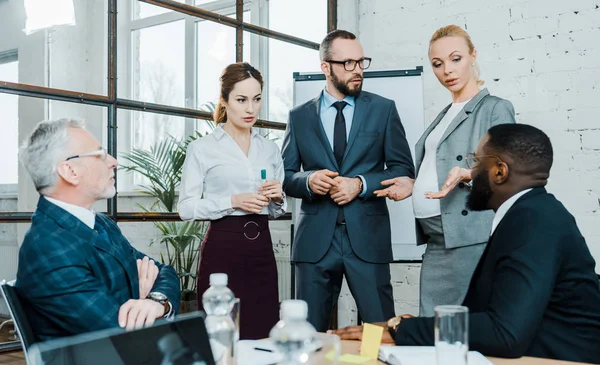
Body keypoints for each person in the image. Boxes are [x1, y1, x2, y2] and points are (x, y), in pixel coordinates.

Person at [332, 123, 600, 364]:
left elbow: (505, 333)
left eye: (476, 161)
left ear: (499, 171)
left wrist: (402, 331)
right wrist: (421, 327)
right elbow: (499, 315)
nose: (471, 172)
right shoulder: (530, 213)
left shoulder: (535, 221)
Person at [375, 25, 515, 317]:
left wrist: (468, 173)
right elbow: (437, 167)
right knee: (432, 325)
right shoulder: (444, 115)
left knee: (466, 327)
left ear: (473, 56)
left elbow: (506, 166)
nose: (447, 70)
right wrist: (412, 184)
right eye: (437, 64)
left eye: (456, 59)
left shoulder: (494, 108)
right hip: (438, 239)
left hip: (470, 237)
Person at [282, 30, 415, 332]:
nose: (357, 70)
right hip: (315, 243)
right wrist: (309, 180)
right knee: (309, 334)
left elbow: (403, 169)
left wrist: (360, 184)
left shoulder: (383, 109)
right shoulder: (299, 117)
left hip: (368, 240)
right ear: (325, 67)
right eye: (348, 63)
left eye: (361, 61)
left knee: (378, 334)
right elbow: (287, 177)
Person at [17, 119, 180, 342]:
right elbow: (119, 333)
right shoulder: (46, 247)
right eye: (100, 154)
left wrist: (154, 301)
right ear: (70, 171)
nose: (114, 161)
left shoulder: (100, 223)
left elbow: (164, 271)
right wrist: (138, 296)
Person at [178, 62, 285, 340]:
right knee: (221, 336)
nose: (251, 109)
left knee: (264, 332)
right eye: (241, 100)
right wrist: (232, 200)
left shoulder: (270, 149)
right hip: (223, 250)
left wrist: (277, 197)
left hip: (262, 249)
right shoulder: (202, 149)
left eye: (257, 99)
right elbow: (186, 208)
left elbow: (275, 211)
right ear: (224, 101)